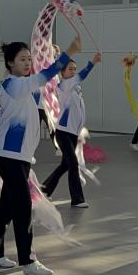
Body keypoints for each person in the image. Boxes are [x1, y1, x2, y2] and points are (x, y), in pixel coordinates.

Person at [0, 37, 80, 275]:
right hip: (9, 156)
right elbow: (44, 76)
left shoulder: (26, 86)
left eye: (29, 59)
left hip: (21, 156)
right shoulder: (12, 85)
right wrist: (67, 53)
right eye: (22, 59)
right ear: (10, 63)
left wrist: (53, 58)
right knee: (23, 206)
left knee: (7, 206)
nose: (28, 63)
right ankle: (28, 261)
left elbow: (45, 81)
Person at [42, 51, 100, 206]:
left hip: (73, 133)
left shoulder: (75, 87)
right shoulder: (64, 85)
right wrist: (93, 62)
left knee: (65, 165)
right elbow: (82, 75)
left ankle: (44, 190)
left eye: (75, 69)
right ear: (62, 73)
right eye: (70, 69)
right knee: (73, 164)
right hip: (63, 133)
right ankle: (77, 199)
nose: (73, 71)